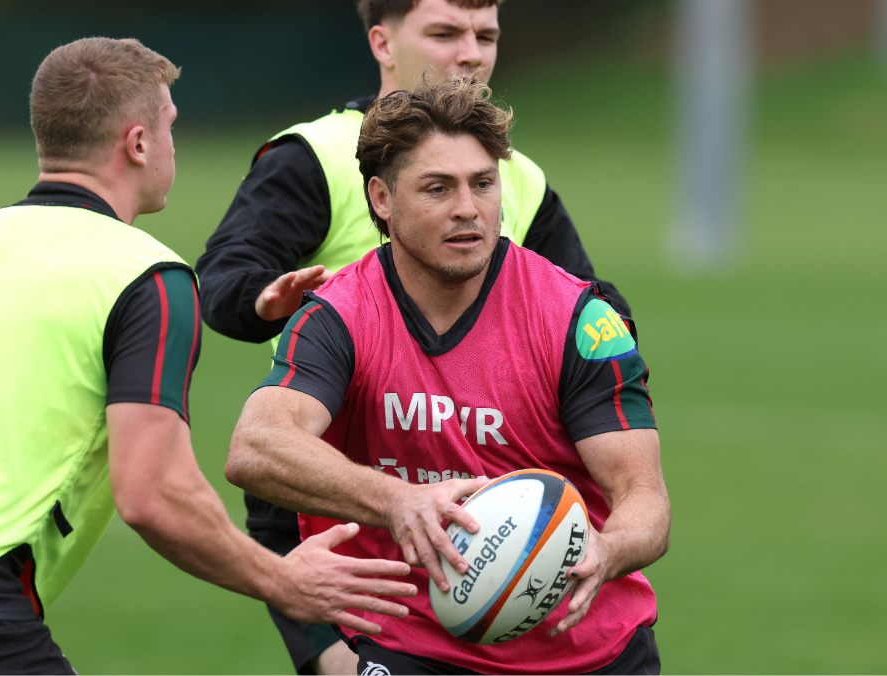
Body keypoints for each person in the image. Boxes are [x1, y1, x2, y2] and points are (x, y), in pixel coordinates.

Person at [0, 37, 416, 674]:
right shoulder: (149, 276)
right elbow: (154, 494)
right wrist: (285, 581)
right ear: (138, 144)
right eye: (169, 126)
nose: (173, 145)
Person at [196, 1, 633, 671]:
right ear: (382, 42)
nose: (471, 53)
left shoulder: (515, 174)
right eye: (445, 33)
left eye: (486, 35)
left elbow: (593, 308)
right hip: (330, 486)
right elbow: (224, 276)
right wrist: (263, 301)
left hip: (476, 490)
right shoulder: (317, 155)